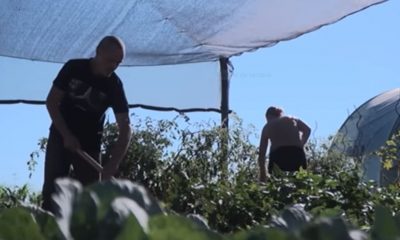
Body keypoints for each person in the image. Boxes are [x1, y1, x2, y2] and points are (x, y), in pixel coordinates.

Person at [41, 36, 132, 212]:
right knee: (52, 195)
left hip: (90, 145)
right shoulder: (74, 68)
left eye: (118, 63)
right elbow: (52, 102)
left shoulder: (114, 85)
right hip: (60, 138)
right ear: (98, 52)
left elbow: (126, 127)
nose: (113, 66)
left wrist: (112, 164)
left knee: (92, 201)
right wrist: (66, 135)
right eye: (110, 60)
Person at [258, 106, 311, 182]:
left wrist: (262, 175)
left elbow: (262, 154)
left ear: (268, 116)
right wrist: (301, 144)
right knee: (300, 182)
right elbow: (307, 130)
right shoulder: (292, 119)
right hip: (297, 154)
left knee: (278, 184)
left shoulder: (267, 126)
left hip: (278, 156)